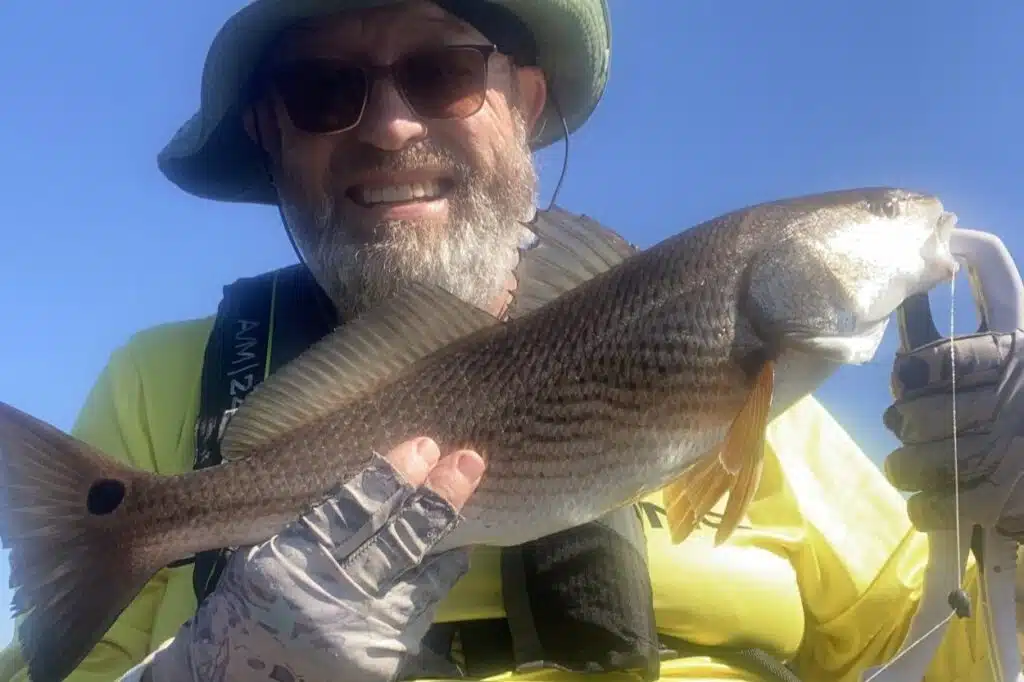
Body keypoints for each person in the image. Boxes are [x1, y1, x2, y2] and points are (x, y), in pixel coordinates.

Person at [1, 1, 1022, 680]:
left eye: (441, 72)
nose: (390, 129)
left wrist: (1014, 534)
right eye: (322, 91)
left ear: (525, 105)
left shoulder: (773, 409)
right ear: (273, 136)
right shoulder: (161, 384)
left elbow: (957, 651)